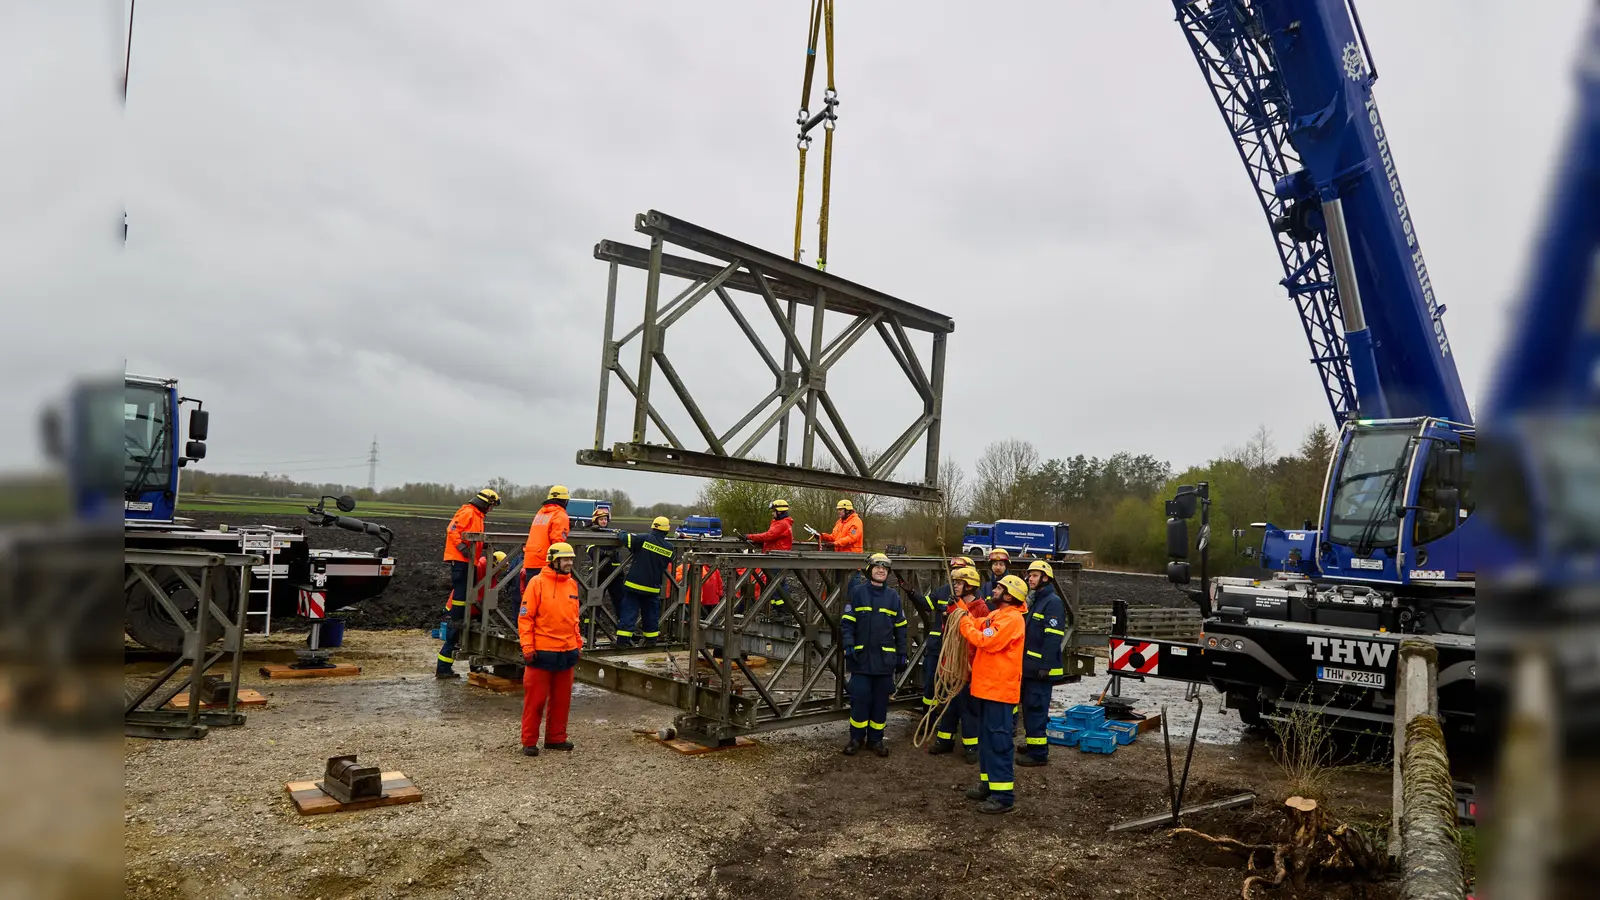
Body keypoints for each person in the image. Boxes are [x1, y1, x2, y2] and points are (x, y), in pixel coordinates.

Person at [958, 573, 1028, 814]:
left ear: (1009, 595)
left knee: (998, 742)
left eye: (999, 588)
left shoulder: (1012, 620)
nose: (994, 589)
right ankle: (989, 785)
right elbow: (979, 624)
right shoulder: (997, 615)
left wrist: (964, 623)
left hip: (999, 691)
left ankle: (1003, 796)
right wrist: (960, 607)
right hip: (988, 689)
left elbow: (983, 640)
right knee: (987, 741)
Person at [840, 552, 908, 757]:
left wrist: (902, 653)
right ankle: (856, 738)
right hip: (861, 659)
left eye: (885, 568)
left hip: (884, 661)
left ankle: (876, 740)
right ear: (870, 570)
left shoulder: (893, 597)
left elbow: (901, 628)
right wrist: (849, 643)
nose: (881, 571)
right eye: (878, 567)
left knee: (880, 703)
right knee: (860, 699)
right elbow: (847, 623)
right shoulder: (858, 592)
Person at [518, 542, 582, 756]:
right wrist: (527, 647)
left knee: (562, 701)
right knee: (535, 701)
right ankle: (529, 742)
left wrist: (577, 644)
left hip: (567, 652)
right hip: (542, 652)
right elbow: (525, 618)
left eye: (571, 559)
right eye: (566, 559)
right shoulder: (537, 583)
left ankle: (556, 739)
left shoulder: (572, 584)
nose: (570, 563)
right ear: (554, 560)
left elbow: (574, 619)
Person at [927, 563, 989, 755]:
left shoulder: (982, 609)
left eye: (959, 583)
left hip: (968, 667)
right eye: (954, 582)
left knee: (968, 710)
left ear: (969, 586)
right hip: (951, 664)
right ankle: (945, 741)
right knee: (949, 706)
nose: (955, 586)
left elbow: (979, 636)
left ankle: (971, 747)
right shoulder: (953, 604)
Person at [439, 488, 500, 676]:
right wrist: (461, 548)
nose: (491, 509)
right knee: (462, 593)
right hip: (462, 561)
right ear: (485, 502)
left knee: (466, 592)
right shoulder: (468, 512)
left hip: (468, 560)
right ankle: (457, 616)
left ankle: (460, 616)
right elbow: (452, 530)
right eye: (490, 505)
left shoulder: (477, 515)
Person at [1017, 560, 1068, 767]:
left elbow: (1053, 637)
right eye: (1030, 575)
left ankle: (1038, 753)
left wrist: (1045, 666)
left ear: (1046, 578)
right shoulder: (1037, 599)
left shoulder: (1052, 602)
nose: (1030, 578)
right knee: (1029, 708)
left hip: (1040, 670)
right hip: (1031, 668)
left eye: (1035, 575)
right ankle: (1033, 744)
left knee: (1036, 708)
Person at [435, 549, 508, 679]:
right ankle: (443, 669)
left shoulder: (491, 574)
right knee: (453, 638)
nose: (500, 571)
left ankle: (476, 668)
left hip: (474, 609)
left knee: (474, 639)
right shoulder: (481, 566)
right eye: (500, 567)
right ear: (494, 563)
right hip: (458, 608)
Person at [920, 555, 974, 711]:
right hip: (938, 647)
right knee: (931, 681)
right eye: (954, 570)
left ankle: (949, 713)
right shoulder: (944, 591)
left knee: (954, 686)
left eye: (960, 570)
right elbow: (926, 604)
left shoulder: (975, 599)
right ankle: (929, 716)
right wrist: (910, 592)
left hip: (959, 652)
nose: (955, 573)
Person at [616, 516, 676, 647]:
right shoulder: (669, 547)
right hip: (653, 587)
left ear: (653, 527)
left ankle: (623, 642)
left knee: (629, 612)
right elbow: (671, 558)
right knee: (651, 615)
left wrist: (620, 532)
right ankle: (651, 641)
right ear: (667, 531)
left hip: (635, 585)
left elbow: (627, 539)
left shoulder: (644, 539)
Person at [744, 499, 794, 612]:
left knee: (777, 585)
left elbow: (768, 536)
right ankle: (779, 610)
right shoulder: (780, 523)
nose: (772, 513)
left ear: (780, 511)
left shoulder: (782, 524)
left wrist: (750, 536)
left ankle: (783, 610)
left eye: (773, 511)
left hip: (777, 558)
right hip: (775, 558)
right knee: (776, 585)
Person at [522, 486, 572, 592]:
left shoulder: (541, 512)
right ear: (565, 500)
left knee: (532, 597)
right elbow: (558, 543)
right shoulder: (560, 515)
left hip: (530, 559)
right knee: (545, 599)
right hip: (545, 563)